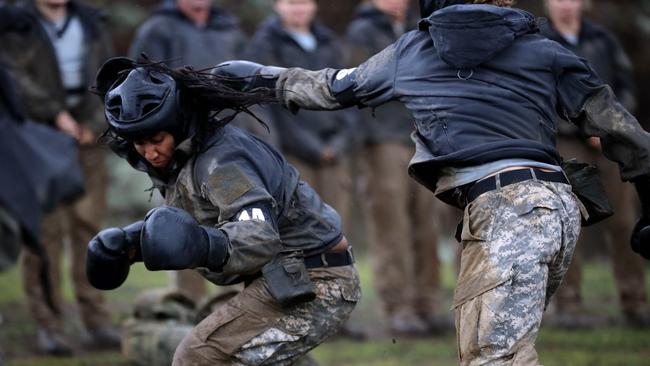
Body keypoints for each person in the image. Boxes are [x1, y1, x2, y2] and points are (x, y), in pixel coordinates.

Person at [216, 0, 650, 363]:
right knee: (486, 347)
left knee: (495, 357)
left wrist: (252, 78)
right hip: (556, 212)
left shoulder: (413, 50)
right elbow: (625, 132)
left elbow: (331, 89)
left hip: (507, 213)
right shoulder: (545, 50)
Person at [86, 57, 361, 365]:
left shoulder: (222, 165)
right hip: (284, 275)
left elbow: (258, 236)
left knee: (199, 356)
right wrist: (129, 245)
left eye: (156, 140)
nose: (150, 153)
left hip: (318, 278)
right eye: (139, 142)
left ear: (177, 125)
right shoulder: (184, 159)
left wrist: (204, 245)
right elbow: (195, 215)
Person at [129, 0, 277, 302]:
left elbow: (248, 89)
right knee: (179, 227)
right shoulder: (158, 29)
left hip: (229, 147)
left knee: (242, 226)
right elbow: (135, 93)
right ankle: (189, 308)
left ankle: (246, 305)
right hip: (176, 151)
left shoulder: (229, 29)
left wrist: (263, 139)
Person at [2, 0, 118, 356]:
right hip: (39, 140)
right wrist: (56, 117)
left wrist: (95, 124)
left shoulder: (91, 23)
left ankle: (96, 320)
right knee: (44, 237)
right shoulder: (16, 24)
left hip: (87, 139)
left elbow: (111, 74)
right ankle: (49, 326)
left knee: (90, 231)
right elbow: (11, 78)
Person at [345, 0, 454, 336]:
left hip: (424, 136)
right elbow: (355, 86)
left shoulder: (423, 25)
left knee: (427, 224)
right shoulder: (362, 31)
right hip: (382, 140)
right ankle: (399, 308)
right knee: (391, 228)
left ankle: (428, 304)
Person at [540, 0, 649, 328]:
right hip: (565, 140)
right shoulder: (539, 42)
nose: (565, 5)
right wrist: (582, 124)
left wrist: (610, 125)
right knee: (568, 222)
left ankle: (635, 301)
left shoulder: (603, 39)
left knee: (624, 218)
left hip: (611, 141)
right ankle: (570, 306)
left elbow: (627, 86)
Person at [245, 0, 359, 250]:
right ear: (277, 6)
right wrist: (311, 147)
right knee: (298, 226)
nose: (298, 8)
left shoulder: (330, 42)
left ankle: (339, 283)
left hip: (335, 152)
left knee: (338, 227)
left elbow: (349, 93)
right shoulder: (264, 44)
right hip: (292, 153)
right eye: (291, 2)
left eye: (303, 2)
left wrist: (337, 144)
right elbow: (267, 103)